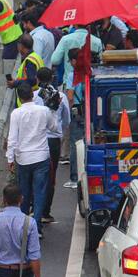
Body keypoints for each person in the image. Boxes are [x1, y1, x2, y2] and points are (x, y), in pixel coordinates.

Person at [7, 84, 59, 236]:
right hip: (41, 157)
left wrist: (10, 158)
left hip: (23, 158)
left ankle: (24, 226)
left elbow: (12, 138)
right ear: (32, 94)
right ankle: (36, 227)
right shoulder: (43, 111)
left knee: (24, 192)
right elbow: (54, 128)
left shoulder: (16, 114)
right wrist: (53, 111)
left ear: (19, 97)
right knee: (40, 192)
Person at [33, 68, 70, 224]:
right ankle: (45, 212)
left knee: (36, 175)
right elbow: (67, 119)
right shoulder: (61, 97)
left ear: (37, 79)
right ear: (53, 78)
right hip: (53, 141)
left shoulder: (33, 97)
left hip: (37, 140)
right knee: (50, 177)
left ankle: (34, 209)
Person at [63, 48, 85, 189]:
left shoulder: (73, 75)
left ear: (74, 61)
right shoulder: (88, 73)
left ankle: (74, 178)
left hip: (76, 112)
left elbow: (70, 96)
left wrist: (67, 112)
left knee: (74, 145)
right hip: (87, 111)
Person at [9, 34, 45, 106]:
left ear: (21, 46)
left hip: (29, 101)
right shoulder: (36, 57)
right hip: (37, 98)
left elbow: (31, 81)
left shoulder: (29, 60)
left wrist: (15, 83)